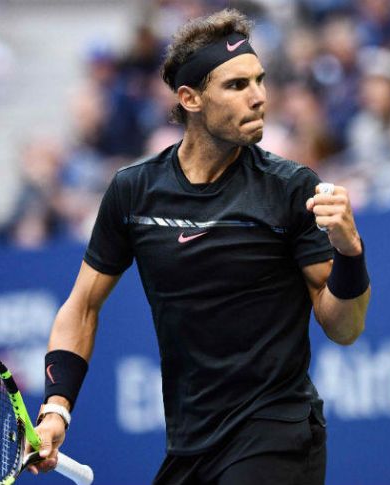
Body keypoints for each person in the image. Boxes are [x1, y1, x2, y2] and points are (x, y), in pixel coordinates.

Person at [27, 9, 371, 485]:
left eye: (260, 80)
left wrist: (350, 254)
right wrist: (56, 411)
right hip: (190, 444)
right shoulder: (134, 192)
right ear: (190, 98)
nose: (259, 97)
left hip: (276, 432)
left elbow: (345, 327)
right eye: (236, 86)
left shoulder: (292, 188)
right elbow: (81, 307)